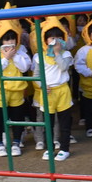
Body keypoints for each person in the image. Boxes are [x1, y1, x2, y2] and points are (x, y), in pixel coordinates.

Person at [32, 17, 74, 161]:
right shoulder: (40, 56)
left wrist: (56, 53)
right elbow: (36, 76)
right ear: (45, 40)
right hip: (48, 92)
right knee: (48, 124)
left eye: (59, 38)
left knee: (64, 123)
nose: (55, 41)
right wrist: (42, 86)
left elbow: (63, 67)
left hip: (63, 91)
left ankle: (64, 149)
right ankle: (49, 149)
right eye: (52, 38)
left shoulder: (66, 54)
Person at [0, 15, 31, 157]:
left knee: (17, 118)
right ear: (1, 40)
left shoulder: (21, 51)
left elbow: (25, 67)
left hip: (17, 91)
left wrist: (15, 56)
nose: (10, 42)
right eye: (7, 39)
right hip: (0, 91)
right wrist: (6, 58)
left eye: (13, 39)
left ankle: (16, 143)